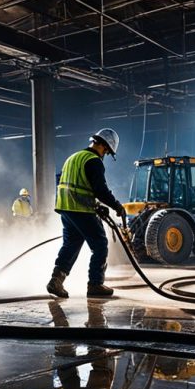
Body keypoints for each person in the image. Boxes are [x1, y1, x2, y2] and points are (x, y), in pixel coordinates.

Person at [46, 127, 126, 298]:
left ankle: (56, 281)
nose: (105, 155)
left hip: (66, 209)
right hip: (80, 209)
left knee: (71, 244)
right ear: (104, 147)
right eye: (107, 152)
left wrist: (96, 204)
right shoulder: (94, 161)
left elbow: (77, 185)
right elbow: (100, 190)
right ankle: (95, 284)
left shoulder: (73, 157)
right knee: (100, 245)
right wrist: (117, 206)